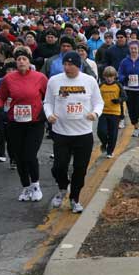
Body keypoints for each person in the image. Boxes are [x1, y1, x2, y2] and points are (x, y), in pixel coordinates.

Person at [43, 51, 104, 213]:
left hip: (83, 133)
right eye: (65, 64)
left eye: (71, 65)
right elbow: (47, 102)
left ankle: (74, 198)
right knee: (59, 167)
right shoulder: (54, 81)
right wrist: (49, 115)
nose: (67, 68)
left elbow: (99, 103)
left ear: (79, 66)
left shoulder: (89, 81)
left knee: (80, 168)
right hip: (61, 132)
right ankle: (63, 188)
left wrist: (95, 113)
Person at [0, 49, 48, 202]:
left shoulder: (40, 78)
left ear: (29, 61)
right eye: (19, 59)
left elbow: (49, 96)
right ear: (15, 62)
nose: (21, 62)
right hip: (15, 122)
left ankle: (36, 185)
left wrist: (48, 111)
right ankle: (26, 187)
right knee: (18, 157)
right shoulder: (9, 79)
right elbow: (0, 96)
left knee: (29, 155)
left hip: (35, 122)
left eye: (24, 59)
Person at [118, 41, 139, 137]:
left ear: (138, 49)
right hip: (128, 89)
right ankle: (136, 128)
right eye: (131, 48)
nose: (133, 50)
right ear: (129, 49)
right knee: (131, 110)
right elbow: (120, 73)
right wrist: (124, 78)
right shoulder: (124, 61)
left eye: (135, 48)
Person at [98, 66, 126, 158]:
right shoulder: (101, 86)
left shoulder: (118, 85)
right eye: (107, 77)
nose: (109, 79)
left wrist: (119, 100)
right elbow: (96, 98)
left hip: (115, 113)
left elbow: (125, 97)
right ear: (104, 77)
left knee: (113, 133)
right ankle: (104, 143)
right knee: (101, 131)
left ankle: (110, 151)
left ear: (114, 76)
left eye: (111, 76)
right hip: (103, 112)